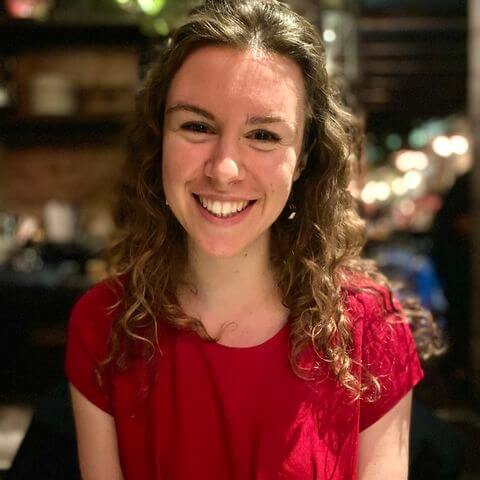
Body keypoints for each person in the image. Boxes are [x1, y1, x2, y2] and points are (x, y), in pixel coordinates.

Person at [65, 1, 431, 478]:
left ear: (303, 160)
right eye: (197, 126)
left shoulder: (369, 329)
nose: (223, 169)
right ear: (159, 140)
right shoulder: (102, 325)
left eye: (263, 135)